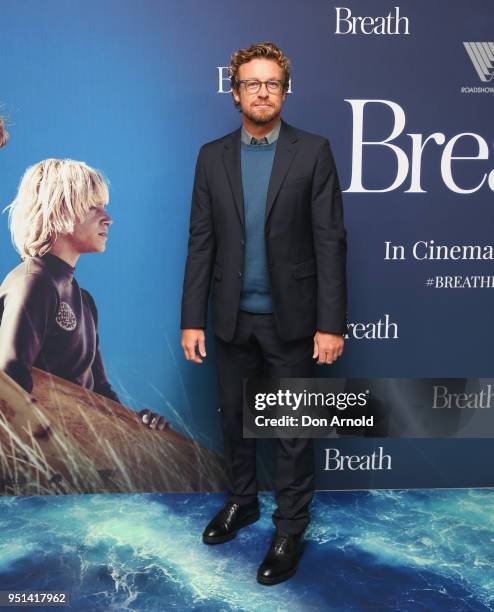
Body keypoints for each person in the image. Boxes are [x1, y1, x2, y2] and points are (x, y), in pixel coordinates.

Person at [181, 42, 347, 585]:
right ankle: (242, 502)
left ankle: (290, 526)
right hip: (230, 318)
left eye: (272, 83)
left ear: (283, 90)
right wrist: (193, 318)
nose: (262, 91)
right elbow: (200, 242)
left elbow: (330, 242)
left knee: (294, 431)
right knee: (236, 421)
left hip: (293, 322)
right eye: (252, 83)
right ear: (235, 93)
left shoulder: (313, 151)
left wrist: (330, 323)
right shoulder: (212, 156)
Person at [0, 159, 164, 429]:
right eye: (93, 207)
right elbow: (9, 379)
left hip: (78, 455)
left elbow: (99, 391)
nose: (108, 218)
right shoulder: (33, 282)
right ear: (58, 211)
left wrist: (137, 425)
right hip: (39, 459)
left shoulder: (84, 301)